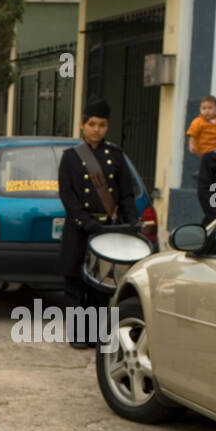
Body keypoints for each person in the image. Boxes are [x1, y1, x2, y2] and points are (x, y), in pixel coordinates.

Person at [56, 97, 137, 350]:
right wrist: (85, 220)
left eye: (102, 125)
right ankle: (79, 335)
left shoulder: (116, 156)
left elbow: (125, 193)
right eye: (92, 124)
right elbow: (67, 195)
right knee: (75, 285)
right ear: (83, 125)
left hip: (108, 231)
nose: (96, 129)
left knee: (101, 288)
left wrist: (131, 219)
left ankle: (99, 335)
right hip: (80, 230)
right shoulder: (70, 158)